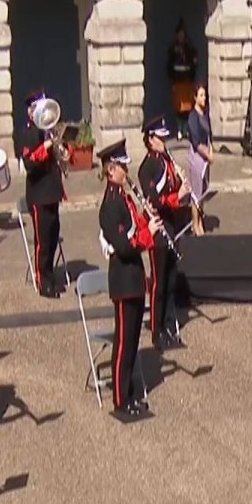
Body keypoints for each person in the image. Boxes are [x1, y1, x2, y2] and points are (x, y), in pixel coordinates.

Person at [97, 139, 159, 417]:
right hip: (122, 278)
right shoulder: (110, 205)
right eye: (122, 167)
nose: (126, 171)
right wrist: (147, 236)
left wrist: (150, 223)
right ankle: (120, 400)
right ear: (111, 169)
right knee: (123, 343)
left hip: (134, 276)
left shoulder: (124, 198)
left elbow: (136, 228)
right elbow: (123, 245)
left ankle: (131, 394)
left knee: (133, 339)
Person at [137, 115, 189, 349]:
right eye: (160, 138)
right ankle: (156, 331)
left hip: (172, 225)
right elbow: (155, 201)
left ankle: (169, 324)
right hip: (157, 228)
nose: (163, 142)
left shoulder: (166, 160)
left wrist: (182, 184)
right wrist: (176, 198)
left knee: (170, 279)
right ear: (150, 139)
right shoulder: (147, 167)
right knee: (158, 282)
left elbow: (173, 189)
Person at [17, 89, 67, 298]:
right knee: (43, 242)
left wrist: (61, 151)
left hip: (52, 192)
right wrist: (46, 146)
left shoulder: (49, 130)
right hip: (38, 194)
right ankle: (43, 281)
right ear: (31, 111)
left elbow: (57, 157)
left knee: (53, 236)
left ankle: (50, 274)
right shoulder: (28, 132)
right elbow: (29, 162)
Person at [186, 83, 212, 237]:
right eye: (201, 95)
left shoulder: (205, 113)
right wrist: (207, 154)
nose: (204, 98)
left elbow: (210, 135)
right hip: (197, 157)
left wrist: (212, 150)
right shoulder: (193, 117)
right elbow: (196, 142)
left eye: (205, 95)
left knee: (203, 192)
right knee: (196, 193)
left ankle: (200, 220)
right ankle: (194, 224)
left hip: (206, 156)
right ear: (195, 97)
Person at [167, 22, 198, 122]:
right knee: (178, 106)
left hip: (187, 81)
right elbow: (169, 65)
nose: (181, 37)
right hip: (177, 81)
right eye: (179, 35)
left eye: (182, 35)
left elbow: (193, 63)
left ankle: (186, 128)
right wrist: (172, 80)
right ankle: (180, 129)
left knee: (188, 106)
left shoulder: (189, 48)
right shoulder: (173, 49)